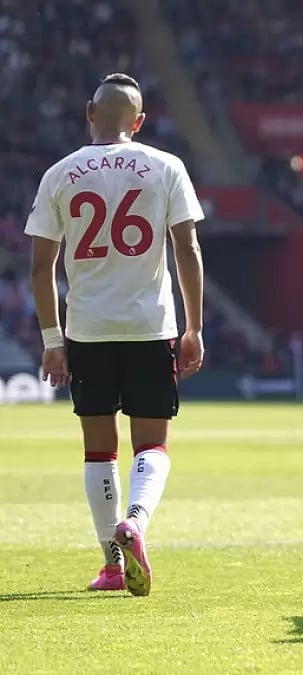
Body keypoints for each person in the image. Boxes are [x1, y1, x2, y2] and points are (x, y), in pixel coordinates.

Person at [25, 73, 206, 597]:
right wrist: (194, 326)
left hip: (87, 329)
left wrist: (53, 339)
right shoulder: (166, 166)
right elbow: (186, 251)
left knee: (98, 449)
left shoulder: (60, 173)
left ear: (89, 112)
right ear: (140, 121)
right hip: (150, 325)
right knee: (152, 443)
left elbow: (41, 266)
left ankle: (110, 562)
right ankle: (137, 522)